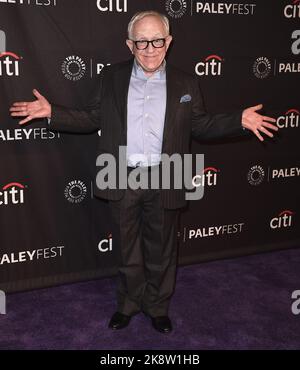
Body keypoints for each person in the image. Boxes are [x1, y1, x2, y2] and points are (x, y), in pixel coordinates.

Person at [10, 10, 278, 334]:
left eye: (157, 41)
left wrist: (239, 121)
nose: (150, 49)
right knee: (127, 249)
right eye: (141, 42)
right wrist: (53, 112)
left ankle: (157, 306)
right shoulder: (111, 78)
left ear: (169, 42)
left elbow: (201, 125)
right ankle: (128, 304)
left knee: (162, 249)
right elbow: (92, 117)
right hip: (120, 174)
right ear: (130, 44)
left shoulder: (186, 82)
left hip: (167, 175)